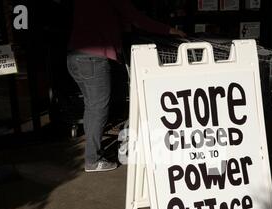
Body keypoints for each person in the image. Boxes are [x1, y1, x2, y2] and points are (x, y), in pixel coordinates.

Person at [67, 0, 186, 172]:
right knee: (98, 108)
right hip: (93, 59)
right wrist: (172, 30)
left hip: (75, 58)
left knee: (91, 107)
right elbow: (139, 20)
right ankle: (93, 160)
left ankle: (92, 154)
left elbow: (104, 20)